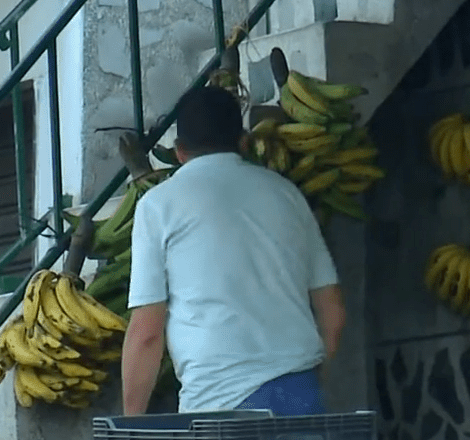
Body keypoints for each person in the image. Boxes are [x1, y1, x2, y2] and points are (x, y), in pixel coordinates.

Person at [120, 86, 345, 417]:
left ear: (180, 152)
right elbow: (334, 313)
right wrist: (311, 381)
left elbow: (146, 333)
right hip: (301, 395)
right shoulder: (287, 195)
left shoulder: (158, 205)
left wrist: (131, 426)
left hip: (219, 409)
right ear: (243, 142)